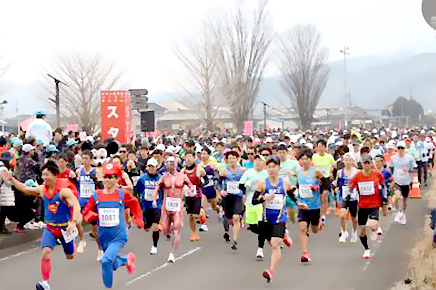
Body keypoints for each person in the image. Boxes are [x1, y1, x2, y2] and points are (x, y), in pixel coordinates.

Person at [1, 160, 82, 290]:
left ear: (55, 175)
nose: (43, 178)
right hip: (50, 228)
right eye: (42, 175)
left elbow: (76, 206)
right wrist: (11, 179)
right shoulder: (42, 189)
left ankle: (72, 245)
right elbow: (26, 189)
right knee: (45, 252)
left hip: (65, 228)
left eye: (47, 175)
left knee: (70, 256)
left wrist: (72, 222)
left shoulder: (64, 192)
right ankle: (45, 282)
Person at [83, 163, 144, 289]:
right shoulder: (96, 195)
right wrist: (92, 217)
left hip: (118, 235)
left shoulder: (122, 194)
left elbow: (134, 203)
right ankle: (126, 259)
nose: (107, 180)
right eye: (105, 176)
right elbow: (86, 212)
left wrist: (138, 217)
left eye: (111, 177)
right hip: (103, 236)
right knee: (112, 263)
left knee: (105, 261)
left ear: (117, 179)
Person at [252, 156, 295, 282]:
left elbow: (292, 195)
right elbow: (253, 201)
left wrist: (300, 203)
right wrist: (264, 198)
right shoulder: (263, 183)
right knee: (271, 242)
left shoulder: (285, 183)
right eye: (269, 167)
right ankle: (285, 235)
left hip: (280, 218)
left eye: (274, 167)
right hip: (267, 218)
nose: (271, 170)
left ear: (279, 168)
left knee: (275, 244)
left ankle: (271, 271)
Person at [152, 156, 192, 263]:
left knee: (177, 229)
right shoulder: (164, 177)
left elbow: (191, 186)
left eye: (172, 163)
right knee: (164, 230)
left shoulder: (183, 176)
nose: (170, 165)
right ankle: (169, 229)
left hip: (177, 206)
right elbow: (156, 189)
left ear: (176, 164)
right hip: (166, 206)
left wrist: (190, 192)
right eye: (168, 163)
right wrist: (154, 199)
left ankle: (172, 254)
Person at [348, 154, 387, 259]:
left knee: (372, 225)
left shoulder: (377, 174)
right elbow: (351, 185)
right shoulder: (358, 176)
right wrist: (349, 190)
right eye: (364, 163)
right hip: (362, 205)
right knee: (361, 231)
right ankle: (366, 249)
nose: (366, 165)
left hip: (374, 204)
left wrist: (384, 202)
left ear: (371, 164)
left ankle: (374, 230)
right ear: (361, 164)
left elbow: (384, 187)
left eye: (368, 163)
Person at [296, 148, 324, 263]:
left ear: (310, 160)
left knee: (315, 230)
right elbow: (298, 186)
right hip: (303, 205)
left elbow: (324, 184)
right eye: (302, 159)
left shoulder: (316, 171)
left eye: (306, 159)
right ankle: (305, 253)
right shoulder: (299, 172)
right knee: (302, 228)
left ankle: (319, 222)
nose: (304, 162)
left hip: (314, 205)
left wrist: (317, 187)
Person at [239, 154, 269, 259]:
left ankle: (260, 249)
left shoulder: (266, 174)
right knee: (252, 226)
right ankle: (268, 235)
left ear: (264, 163)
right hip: (250, 202)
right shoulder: (249, 173)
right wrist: (245, 185)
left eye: (260, 161)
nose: (257, 162)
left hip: (262, 203)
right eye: (256, 160)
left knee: (261, 224)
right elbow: (240, 185)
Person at [218, 150, 245, 249]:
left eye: (234, 158)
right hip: (227, 196)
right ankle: (227, 231)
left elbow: (246, 181)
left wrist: (245, 191)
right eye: (230, 158)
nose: (232, 160)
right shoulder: (224, 171)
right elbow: (219, 183)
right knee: (229, 218)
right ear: (227, 160)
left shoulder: (242, 170)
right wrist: (221, 191)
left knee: (236, 217)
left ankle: (235, 240)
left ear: (237, 159)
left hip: (238, 195)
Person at [135, 158, 163, 255]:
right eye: (149, 166)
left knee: (155, 226)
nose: (151, 169)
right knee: (147, 227)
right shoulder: (142, 179)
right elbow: (137, 191)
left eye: (153, 167)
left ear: (156, 168)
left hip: (157, 205)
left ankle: (154, 246)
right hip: (146, 205)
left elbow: (165, 191)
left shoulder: (161, 178)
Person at [181, 150, 206, 241]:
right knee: (190, 215)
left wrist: (202, 182)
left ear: (194, 158)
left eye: (189, 157)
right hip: (188, 195)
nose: (187, 159)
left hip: (197, 195)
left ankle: (201, 213)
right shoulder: (183, 171)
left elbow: (206, 179)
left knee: (196, 215)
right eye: (186, 157)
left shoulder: (199, 169)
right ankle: (194, 233)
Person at [390, 141, 416, 225]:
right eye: (399, 148)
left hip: (407, 181)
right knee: (397, 197)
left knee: (404, 199)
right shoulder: (393, 158)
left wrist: (408, 170)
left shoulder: (410, 158)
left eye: (402, 148)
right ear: (397, 149)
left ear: (405, 149)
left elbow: (415, 169)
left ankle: (403, 214)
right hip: (397, 181)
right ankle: (399, 212)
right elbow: (391, 169)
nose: (400, 150)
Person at [336, 153, 359, 243]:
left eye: (350, 160)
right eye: (346, 160)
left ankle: (354, 232)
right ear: (343, 161)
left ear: (353, 161)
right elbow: (338, 183)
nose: (348, 162)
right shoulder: (340, 172)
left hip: (354, 196)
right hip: (344, 196)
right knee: (342, 215)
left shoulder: (356, 172)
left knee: (354, 217)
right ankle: (344, 232)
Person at [311, 140, 335, 225]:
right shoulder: (314, 156)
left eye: (322, 146)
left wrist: (332, 171)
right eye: (319, 146)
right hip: (316, 179)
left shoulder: (329, 157)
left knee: (325, 196)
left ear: (325, 148)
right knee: (318, 197)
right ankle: (317, 213)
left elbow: (334, 165)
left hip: (326, 178)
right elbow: (311, 166)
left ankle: (323, 216)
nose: (320, 148)